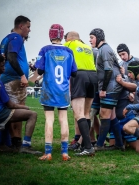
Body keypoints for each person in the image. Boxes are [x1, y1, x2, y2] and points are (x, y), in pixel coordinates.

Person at [34, 24, 77, 161]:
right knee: (63, 120)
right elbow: (74, 72)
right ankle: (64, 153)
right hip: (63, 90)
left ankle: (48, 153)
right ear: (61, 35)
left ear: (50, 35)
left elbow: (39, 70)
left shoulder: (45, 50)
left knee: (49, 119)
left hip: (49, 89)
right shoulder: (69, 51)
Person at [0, 53, 41, 155]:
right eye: (2, 65)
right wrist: (24, 107)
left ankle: (4, 144)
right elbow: (10, 105)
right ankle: (25, 146)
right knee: (32, 114)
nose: (4, 68)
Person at [0, 15, 31, 150]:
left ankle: (10, 141)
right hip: (14, 80)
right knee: (18, 111)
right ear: (21, 26)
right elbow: (12, 57)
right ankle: (16, 142)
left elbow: (0, 56)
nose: (29, 30)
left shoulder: (6, 38)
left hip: (7, 79)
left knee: (12, 109)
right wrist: (22, 75)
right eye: (28, 27)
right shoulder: (16, 38)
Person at [89, 28, 124, 151]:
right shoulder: (102, 49)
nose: (90, 40)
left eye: (92, 37)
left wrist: (103, 89)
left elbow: (108, 70)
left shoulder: (105, 49)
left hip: (110, 87)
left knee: (104, 114)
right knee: (112, 115)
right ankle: (119, 144)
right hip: (110, 86)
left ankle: (99, 145)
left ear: (98, 37)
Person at [64, 31, 97, 156]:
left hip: (79, 75)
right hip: (93, 75)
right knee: (86, 113)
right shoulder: (87, 47)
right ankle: (84, 145)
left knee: (78, 113)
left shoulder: (69, 44)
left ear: (69, 38)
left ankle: (88, 147)